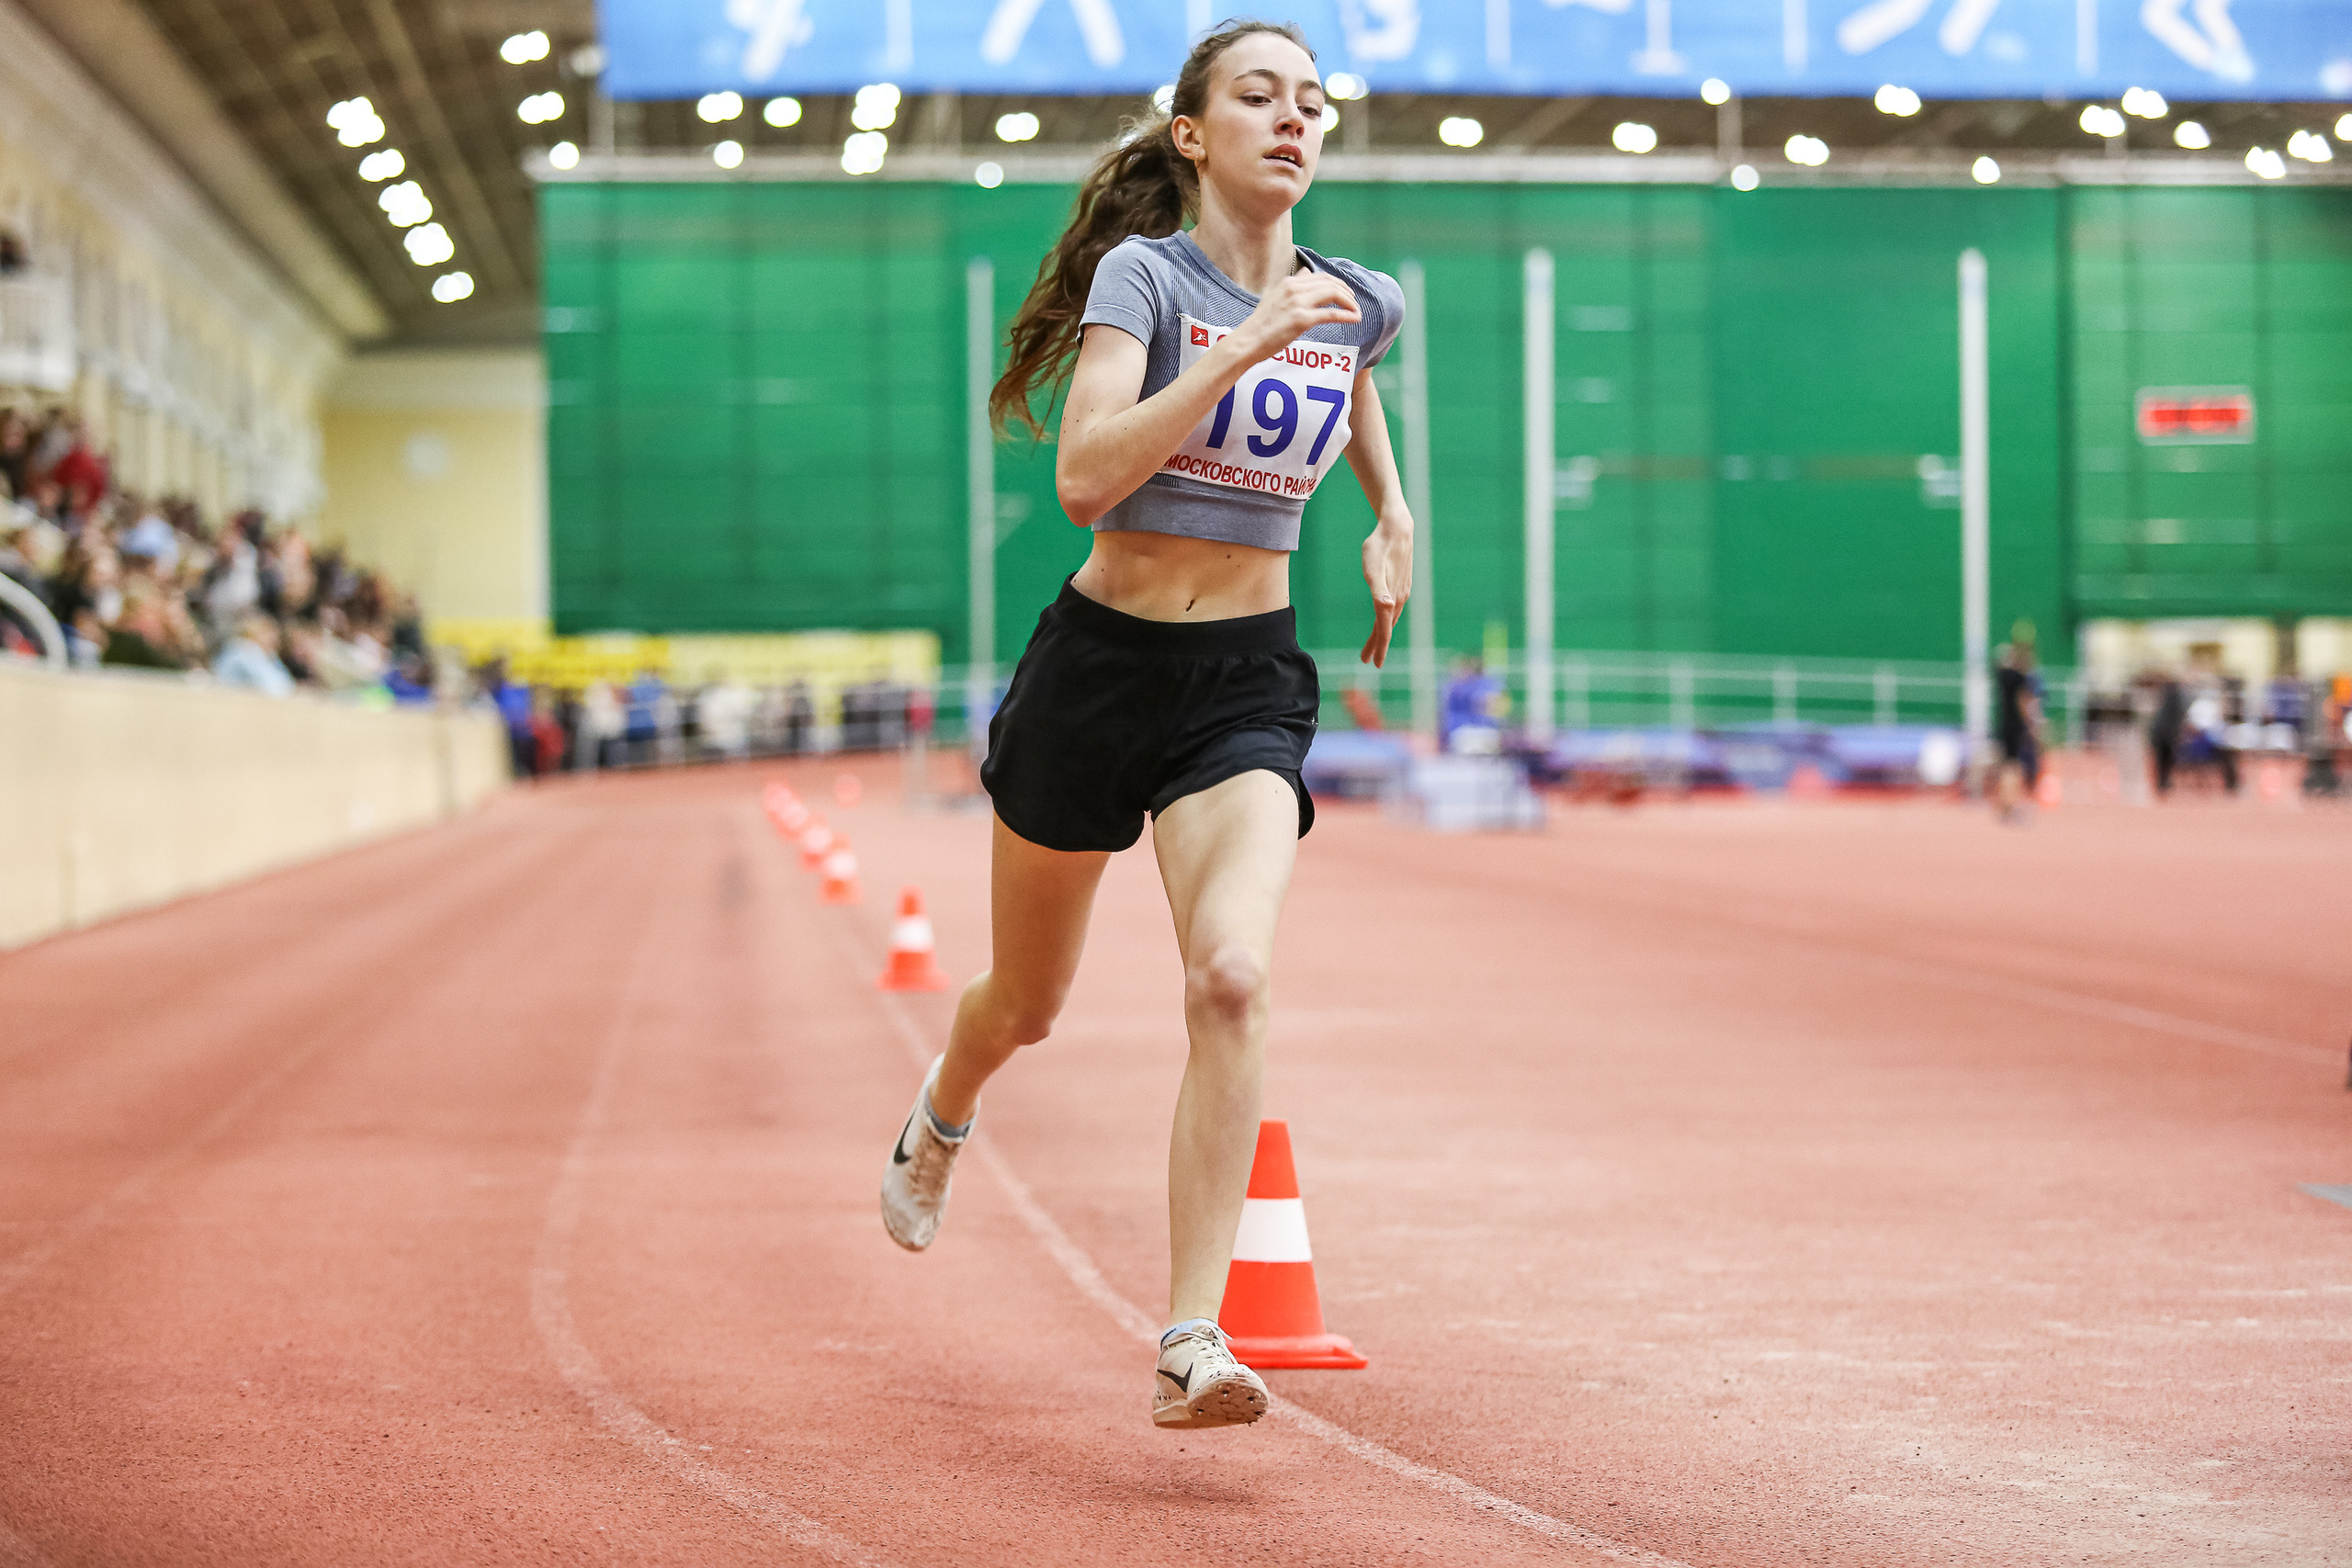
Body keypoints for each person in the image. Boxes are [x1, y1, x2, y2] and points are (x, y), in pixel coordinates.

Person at [876, 20, 1414, 1432]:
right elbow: (1086, 477)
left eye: (1314, 102)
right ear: (1194, 133)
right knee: (1026, 1003)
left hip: (1244, 678)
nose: (1294, 120)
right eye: (1259, 97)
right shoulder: (1148, 278)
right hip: (1098, 669)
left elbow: (1353, 373)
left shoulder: (1355, 295)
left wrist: (1391, 513)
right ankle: (943, 1107)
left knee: (1232, 974)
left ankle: (1191, 1335)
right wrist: (1234, 351)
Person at [1992, 640, 2044, 820]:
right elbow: (2025, 702)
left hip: (2003, 725)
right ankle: (2009, 806)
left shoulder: (2002, 676)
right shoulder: (2019, 678)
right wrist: (2032, 724)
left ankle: (2005, 806)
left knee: (2006, 766)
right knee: (2012, 768)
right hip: (2015, 726)